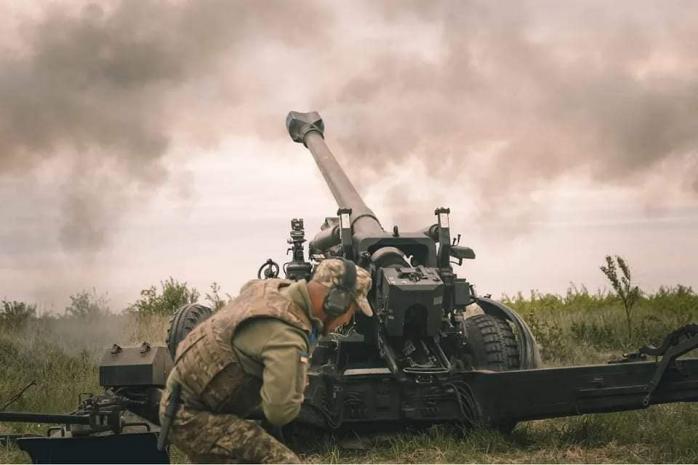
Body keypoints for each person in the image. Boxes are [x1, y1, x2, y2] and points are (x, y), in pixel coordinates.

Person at [159, 258, 372, 463]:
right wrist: (297, 377)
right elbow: (280, 412)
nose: (348, 320)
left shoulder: (271, 288)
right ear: (337, 301)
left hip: (183, 397)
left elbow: (247, 288)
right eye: (351, 311)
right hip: (190, 418)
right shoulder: (288, 338)